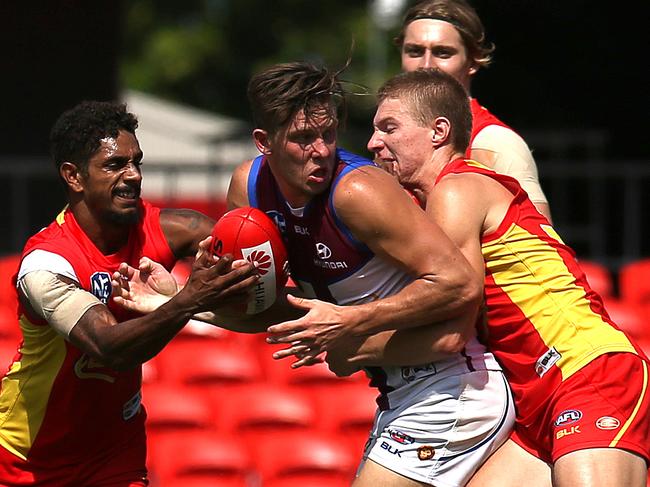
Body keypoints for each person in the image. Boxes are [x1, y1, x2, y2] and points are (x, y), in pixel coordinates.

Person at [112, 62, 515, 487]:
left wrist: (348, 324)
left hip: (453, 389)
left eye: (328, 134)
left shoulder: (358, 191)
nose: (321, 150)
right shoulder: (248, 191)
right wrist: (176, 302)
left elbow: (458, 284)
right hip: (398, 394)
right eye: (304, 138)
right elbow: (263, 312)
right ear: (264, 142)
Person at [323, 68, 647, 486]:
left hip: (586, 370)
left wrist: (353, 338)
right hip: (534, 397)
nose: (372, 143)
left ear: (439, 131)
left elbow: (451, 316)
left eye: (389, 127)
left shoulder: (456, 188)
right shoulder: (442, 198)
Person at [0, 101, 260, 486]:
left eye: (136, 161)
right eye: (114, 164)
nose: (133, 175)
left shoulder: (171, 228)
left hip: (114, 454)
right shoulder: (46, 265)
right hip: (28, 461)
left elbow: (245, 255)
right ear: (74, 176)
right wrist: (189, 299)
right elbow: (109, 348)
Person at [392, 0, 552, 222]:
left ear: (473, 61)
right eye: (414, 51)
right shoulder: (387, 137)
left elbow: (543, 247)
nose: (426, 64)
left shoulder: (494, 143)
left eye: (443, 53)